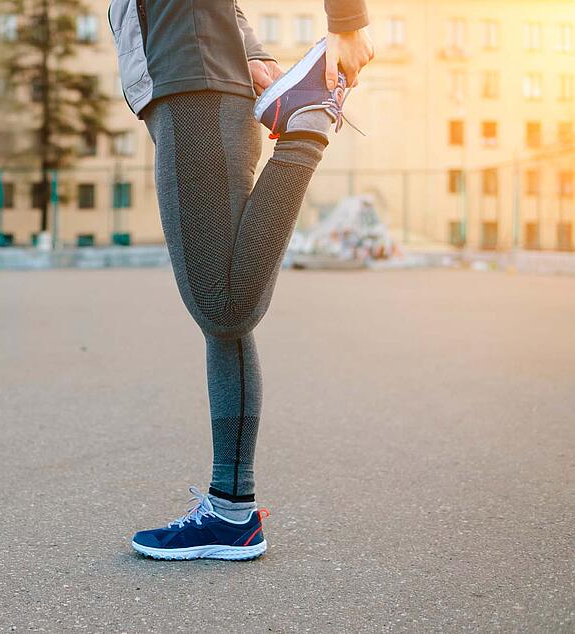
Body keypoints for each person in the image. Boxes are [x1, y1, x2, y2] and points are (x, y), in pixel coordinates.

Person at [108, 0, 374, 560]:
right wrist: (251, 52)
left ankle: (309, 126)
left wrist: (347, 23)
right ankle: (232, 512)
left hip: (196, 91)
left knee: (223, 304)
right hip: (191, 88)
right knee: (223, 323)